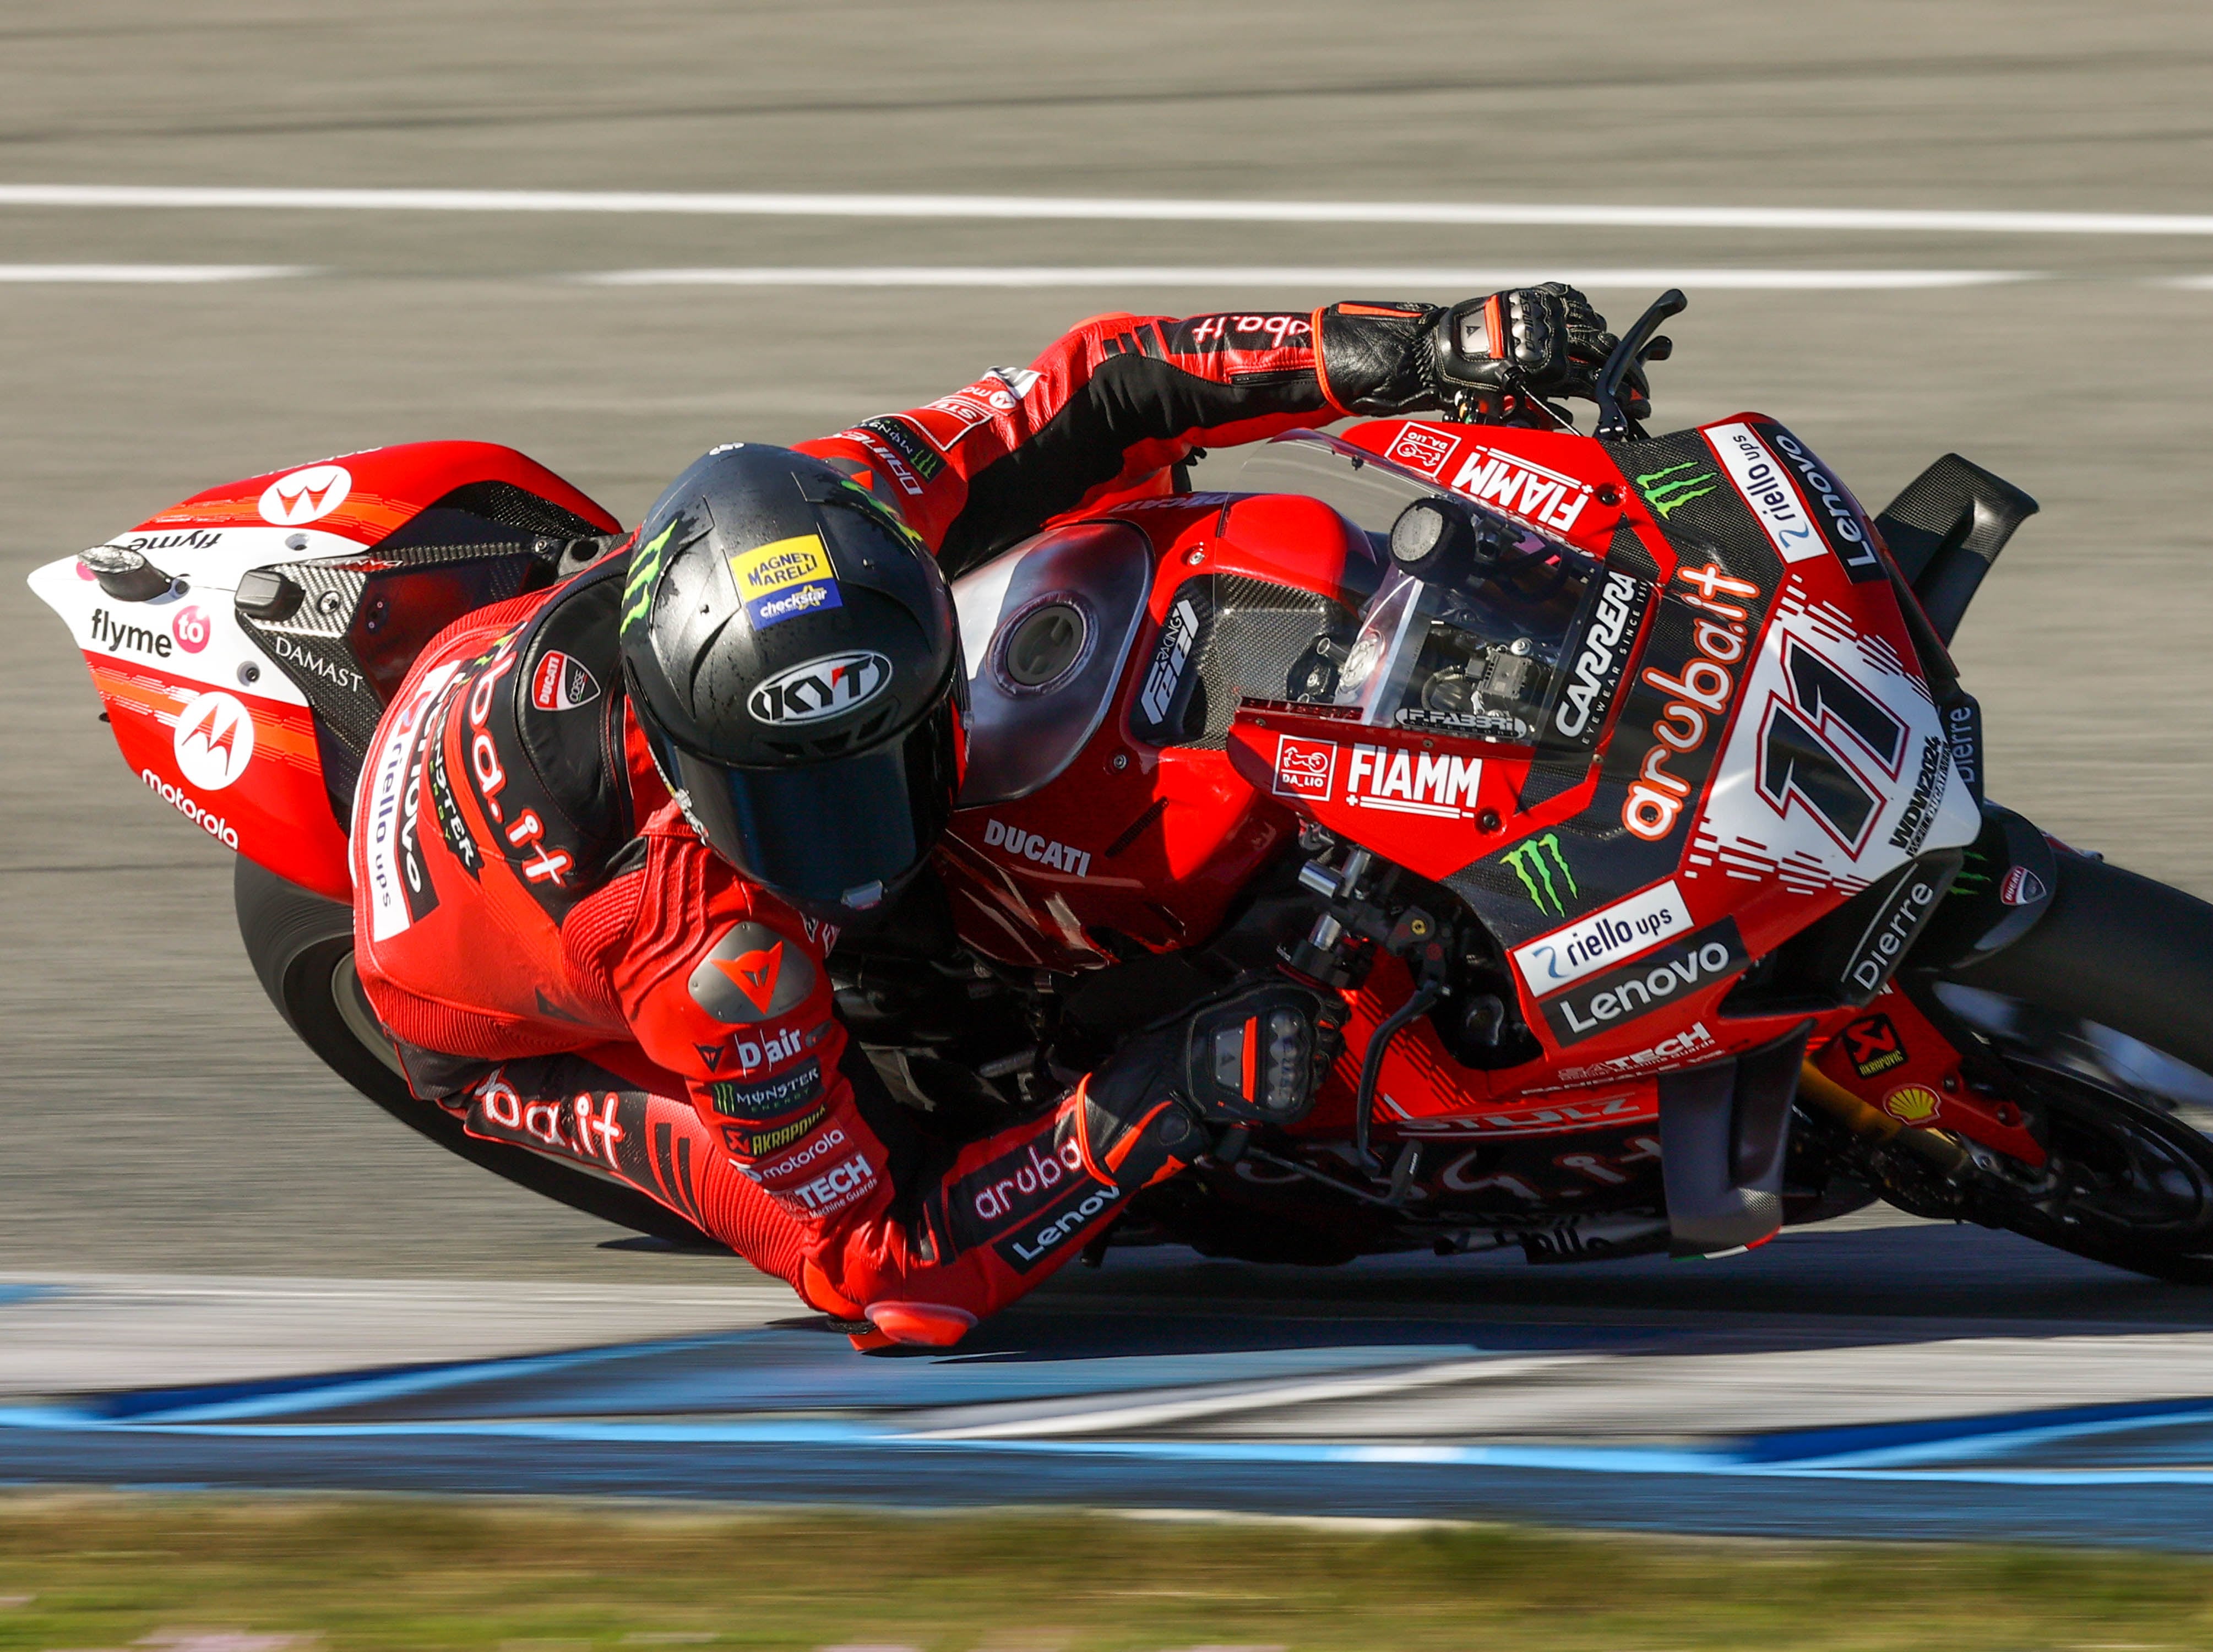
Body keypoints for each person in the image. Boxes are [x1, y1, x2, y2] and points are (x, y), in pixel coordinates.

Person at [350, 286, 1634, 1347]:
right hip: (505, 1029)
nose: (852, 845)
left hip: (525, 690)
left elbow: (1111, 384)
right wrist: (1148, 1100)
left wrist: (1408, 349)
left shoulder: (850, 508)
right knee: (872, 1192)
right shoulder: (708, 959)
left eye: (873, 769)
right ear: (695, 767)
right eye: (791, 805)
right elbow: (876, 1266)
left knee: (1106, 497)